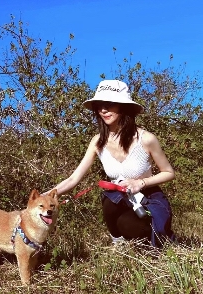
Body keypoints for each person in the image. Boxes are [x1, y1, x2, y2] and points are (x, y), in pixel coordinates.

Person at [48, 79, 175, 246]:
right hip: (120, 199)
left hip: (148, 198)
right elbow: (73, 179)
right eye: (99, 105)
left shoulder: (146, 139)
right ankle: (118, 241)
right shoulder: (97, 142)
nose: (103, 110)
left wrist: (141, 183)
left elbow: (169, 172)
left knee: (129, 225)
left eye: (109, 104)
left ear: (123, 106)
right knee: (110, 198)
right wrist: (46, 196)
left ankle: (149, 239)